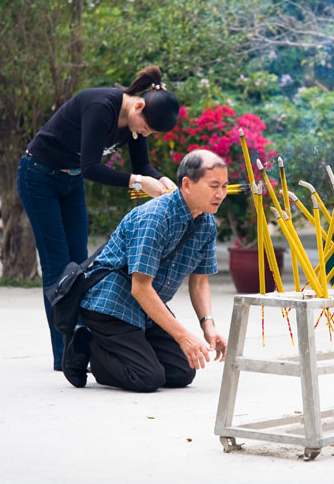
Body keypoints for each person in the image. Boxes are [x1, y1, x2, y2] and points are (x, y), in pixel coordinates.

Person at [17, 65, 180, 370]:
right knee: (57, 268)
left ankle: (84, 348)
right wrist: (138, 182)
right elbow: (93, 167)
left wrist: (162, 180)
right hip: (38, 176)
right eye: (145, 128)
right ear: (139, 105)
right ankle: (65, 356)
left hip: (71, 179)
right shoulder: (100, 106)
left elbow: (142, 165)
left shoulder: (134, 120)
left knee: (80, 268)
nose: (143, 133)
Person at [61, 149, 229, 392]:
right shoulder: (155, 217)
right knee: (147, 378)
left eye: (225, 186)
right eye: (214, 185)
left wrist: (208, 327)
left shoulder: (206, 223)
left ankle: (131, 348)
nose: (220, 194)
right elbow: (140, 288)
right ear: (187, 184)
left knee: (182, 371)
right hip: (110, 303)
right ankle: (87, 346)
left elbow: (200, 281)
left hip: (146, 308)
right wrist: (183, 336)